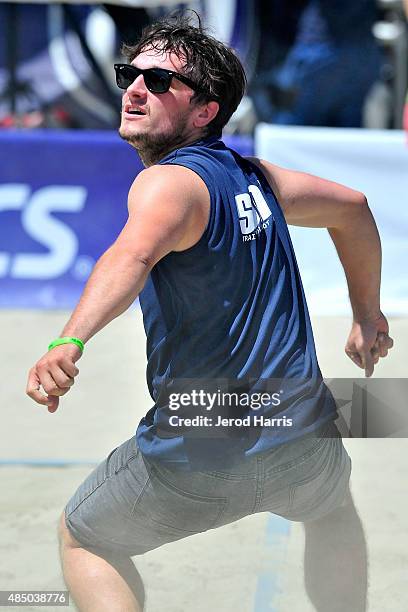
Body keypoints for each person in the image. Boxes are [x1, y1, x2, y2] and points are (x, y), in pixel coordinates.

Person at [26, 13, 393, 612]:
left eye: (159, 82)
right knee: (330, 511)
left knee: (85, 537)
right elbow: (353, 208)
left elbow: (133, 255)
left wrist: (67, 343)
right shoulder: (256, 179)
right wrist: (367, 314)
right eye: (130, 74)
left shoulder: (167, 184)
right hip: (302, 434)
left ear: (205, 112)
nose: (134, 89)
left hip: (201, 450)